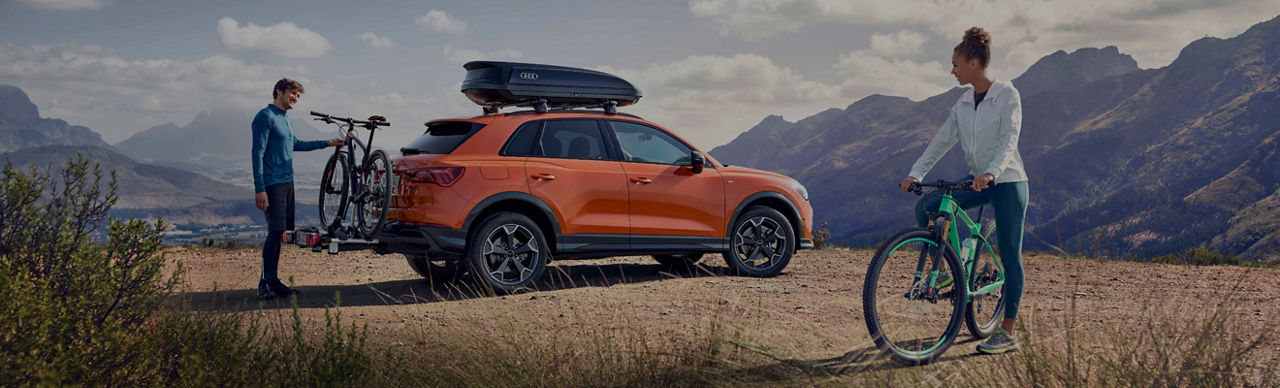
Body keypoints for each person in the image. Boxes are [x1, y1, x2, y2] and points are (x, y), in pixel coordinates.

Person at [899, 27, 1029, 354]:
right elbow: (941, 141)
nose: (952, 70)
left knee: (1011, 255)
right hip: (979, 181)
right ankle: (945, 271)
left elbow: (1009, 139)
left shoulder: (1007, 96)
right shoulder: (963, 103)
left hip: (1008, 182)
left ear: (974, 63)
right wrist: (916, 173)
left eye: (956, 64)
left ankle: (1008, 331)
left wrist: (992, 172)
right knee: (928, 205)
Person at [251, 78, 343, 300]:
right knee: (274, 232)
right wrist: (259, 188)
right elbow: (257, 153)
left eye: (298, 96)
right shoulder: (265, 116)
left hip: (287, 183)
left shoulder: (285, 119)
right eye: (293, 94)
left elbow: (295, 144)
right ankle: (264, 283)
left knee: (281, 233)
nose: (295, 99)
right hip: (272, 184)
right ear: (279, 91)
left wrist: (327, 143)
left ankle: (273, 280)